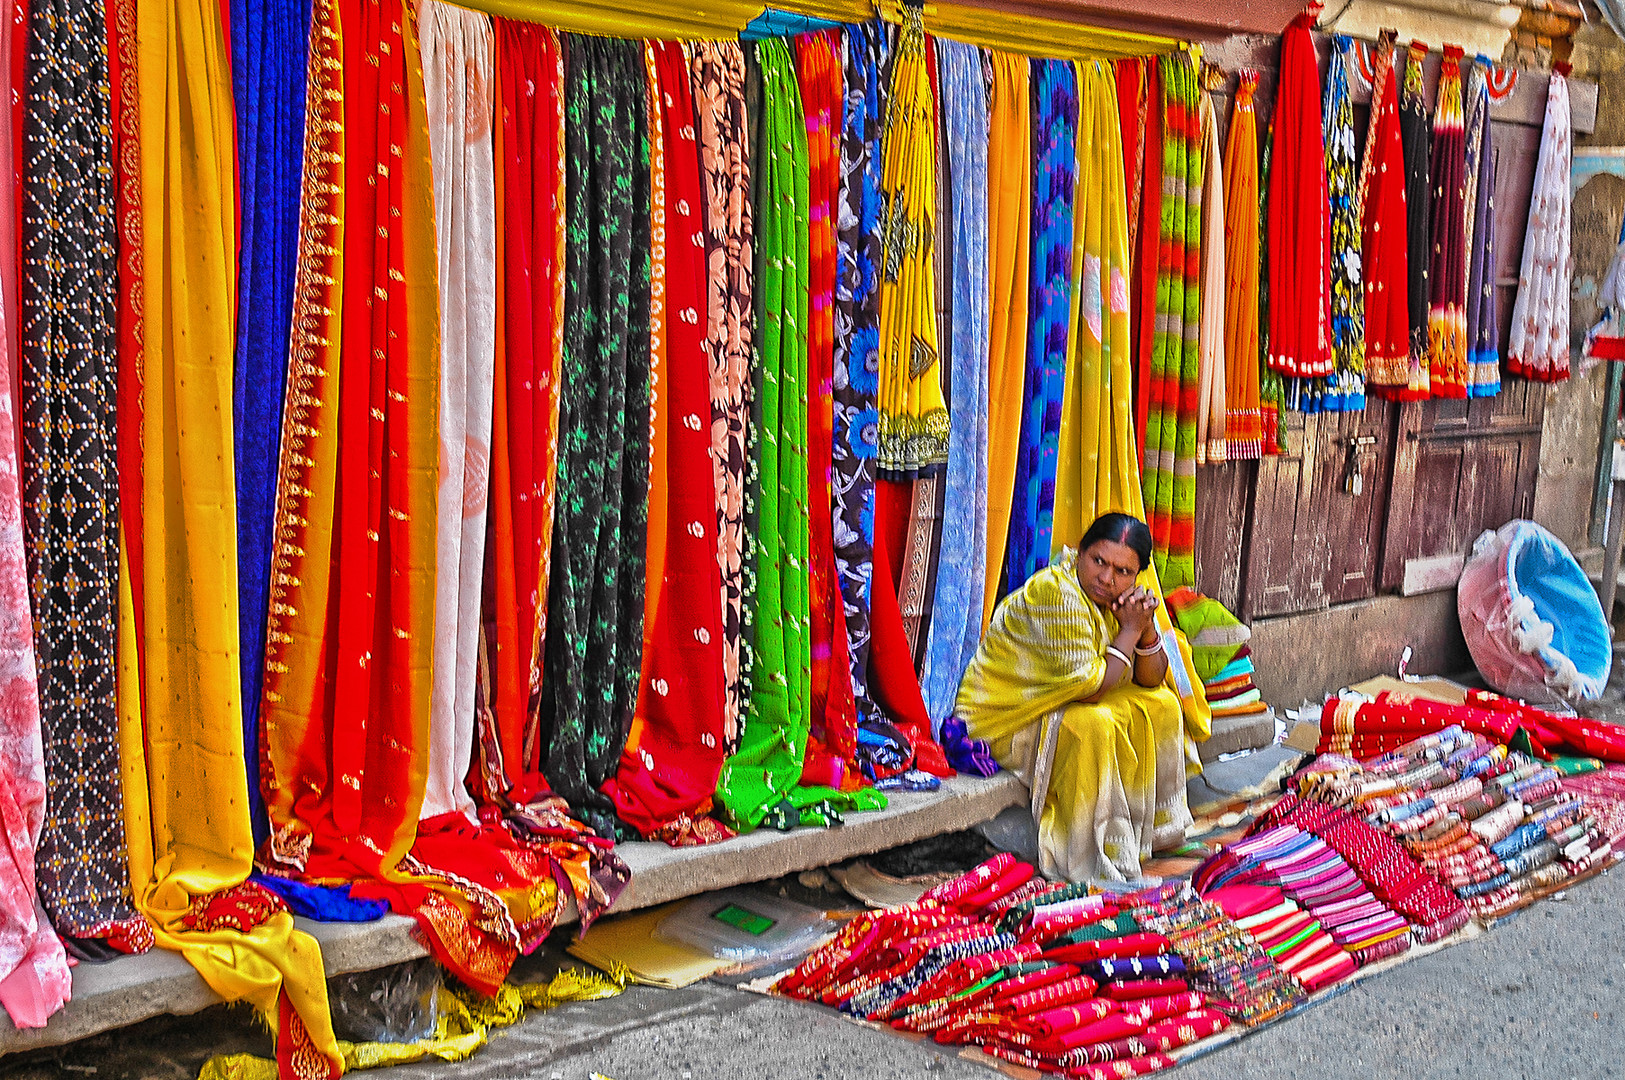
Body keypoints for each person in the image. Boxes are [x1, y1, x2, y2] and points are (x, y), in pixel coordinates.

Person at [953, 512, 1193, 883]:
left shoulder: (1124, 598)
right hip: (1004, 720)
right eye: (1099, 561)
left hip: (1061, 702)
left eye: (1123, 571)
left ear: (1138, 575)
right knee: (1091, 725)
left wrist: (1144, 629)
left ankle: (1152, 834)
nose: (1107, 578)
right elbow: (1091, 687)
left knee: (1160, 703)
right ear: (1080, 551)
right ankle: (1087, 855)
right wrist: (1129, 628)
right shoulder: (1056, 593)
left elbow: (1150, 679)